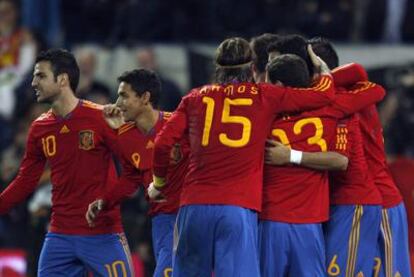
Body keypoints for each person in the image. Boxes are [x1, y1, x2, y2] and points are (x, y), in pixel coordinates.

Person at [148, 37, 335, 276]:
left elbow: (162, 143)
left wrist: (159, 183)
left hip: (194, 206)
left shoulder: (194, 98)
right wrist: (323, 69)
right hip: (238, 207)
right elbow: (323, 95)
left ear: (217, 67)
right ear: (252, 67)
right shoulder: (265, 95)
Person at [0, 48, 133, 276]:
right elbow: (25, 181)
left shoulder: (101, 117)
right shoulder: (39, 128)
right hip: (59, 236)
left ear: (62, 80)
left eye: (40, 76)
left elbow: (134, 164)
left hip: (103, 233)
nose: (33, 82)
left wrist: (124, 131)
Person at [261, 53, 385, 276]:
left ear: (278, 85)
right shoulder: (331, 106)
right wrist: (324, 77)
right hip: (309, 221)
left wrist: (290, 156)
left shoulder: (262, 112)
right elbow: (376, 89)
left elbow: (341, 161)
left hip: (277, 220)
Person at [310, 36, 411, 277]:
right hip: (367, 201)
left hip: (381, 201)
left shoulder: (347, 93)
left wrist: (322, 77)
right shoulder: (351, 94)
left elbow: (356, 69)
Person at [85, 69, 189, 277]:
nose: (117, 102)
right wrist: (105, 201)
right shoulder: (125, 136)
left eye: (124, 95)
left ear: (145, 98)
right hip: (161, 219)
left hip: (189, 213)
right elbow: (131, 179)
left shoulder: (178, 126)